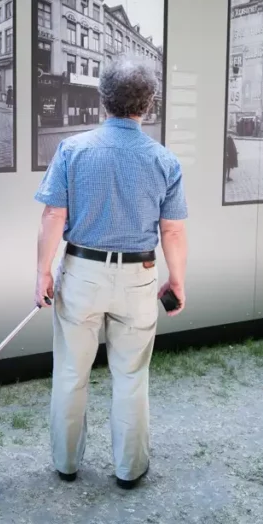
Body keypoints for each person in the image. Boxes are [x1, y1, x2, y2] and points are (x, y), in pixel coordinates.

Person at [32, 54, 188, 491]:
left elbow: (53, 217)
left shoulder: (73, 150)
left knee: (70, 372)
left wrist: (43, 273)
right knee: (132, 376)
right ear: (149, 103)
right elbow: (172, 230)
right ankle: (129, 470)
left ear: (103, 98)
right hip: (139, 277)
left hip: (81, 272)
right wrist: (176, 280)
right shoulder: (164, 160)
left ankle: (66, 463)